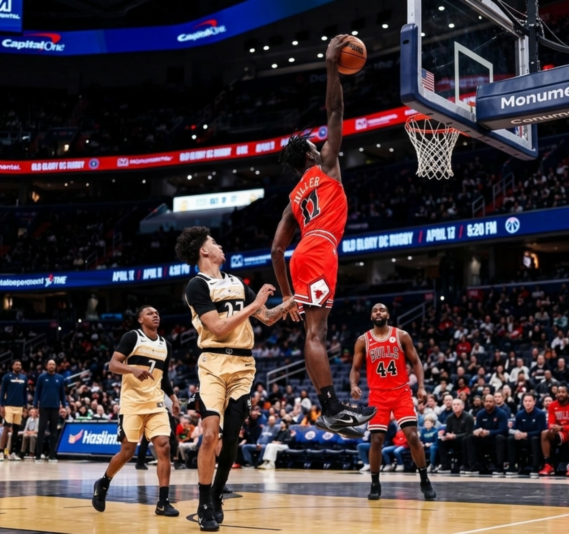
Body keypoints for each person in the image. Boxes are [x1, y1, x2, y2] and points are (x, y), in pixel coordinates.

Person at [270, 34, 377, 437]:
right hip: (319, 250)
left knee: (319, 331)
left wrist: (286, 294)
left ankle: (330, 407)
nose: (321, 144)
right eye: (316, 145)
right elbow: (336, 108)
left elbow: (277, 248)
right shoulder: (326, 165)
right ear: (312, 155)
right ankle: (331, 409)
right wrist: (332, 65)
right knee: (316, 332)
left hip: (304, 252)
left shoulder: (292, 198)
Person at [175, 225, 295, 531]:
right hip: (213, 362)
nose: (220, 246)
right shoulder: (196, 285)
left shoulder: (238, 284)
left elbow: (266, 318)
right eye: (214, 242)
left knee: (231, 439)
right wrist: (256, 305)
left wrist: (291, 303)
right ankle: (204, 503)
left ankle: (216, 494)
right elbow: (217, 328)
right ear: (204, 251)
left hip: (243, 365)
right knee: (210, 434)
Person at [92, 305, 182, 517]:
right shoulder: (132, 337)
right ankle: (103, 482)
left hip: (155, 403)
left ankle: (163, 502)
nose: (155, 315)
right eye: (150, 313)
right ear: (140, 319)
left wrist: (174, 398)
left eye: (157, 313)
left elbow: (164, 377)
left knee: (164, 447)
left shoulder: (165, 345)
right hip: (131, 403)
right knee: (127, 452)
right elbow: (113, 365)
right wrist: (131, 368)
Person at [350, 303, 435, 500]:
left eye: (382, 310)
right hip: (378, 395)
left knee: (412, 436)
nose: (378, 312)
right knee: (376, 440)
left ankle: (424, 479)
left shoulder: (401, 335)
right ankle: (375, 483)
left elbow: (416, 362)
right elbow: (355, 368)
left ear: (387, 314)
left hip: (401, 393)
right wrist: (354, 384)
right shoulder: (363, 340)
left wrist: (421, 387)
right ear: (371, 316)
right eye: (375, 310)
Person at [539, 385, 569, 476]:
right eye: (559, 392)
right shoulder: (552, 405)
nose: (561, 394)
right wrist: (553, 428)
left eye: (563, 392)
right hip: (559, 432)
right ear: (556, 394)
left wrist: (562, 428)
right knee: (544, 433)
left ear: (568, 394)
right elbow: (550, 423)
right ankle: (548, 465)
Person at [34, 359, 68, 462]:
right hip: (44, 408)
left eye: (53, 364)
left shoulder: (60, 378)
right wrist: (35, 406)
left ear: (55, 366)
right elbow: (37, 393)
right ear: (46, 366)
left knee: (53, 433)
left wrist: (64, 406)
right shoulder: (41, 377)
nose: (51, 366)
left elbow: (62, 393)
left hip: (55, 408)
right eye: (50, 364)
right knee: (41, 431)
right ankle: (38, 455)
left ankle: (52, 455)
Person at [506, 392, 546, 476]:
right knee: (511, 439)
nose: (527, 403)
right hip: (522, 438)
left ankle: (535, 466)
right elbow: (514, 428)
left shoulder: (540, 414)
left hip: (535, 439)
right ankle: (512, 466)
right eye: (525, 401)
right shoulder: (519, 414)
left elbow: (541, 430)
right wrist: (515, 433)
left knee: (535, 439)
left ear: (534, 402)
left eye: (529, 401)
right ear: (523, 402)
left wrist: (526, 434)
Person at [467, 394, 508, 475]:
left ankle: (499, 466)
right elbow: (477, 427)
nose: (488, 403)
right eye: (486, 401)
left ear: (494, 403)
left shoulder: (502, 413)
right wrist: (477, 431)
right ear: (483, 402)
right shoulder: (480, 413)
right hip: (484, 438)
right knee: (470, 438)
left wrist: (489, 432)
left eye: (490, 401)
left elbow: (503, 430)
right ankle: (473, 465)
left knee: (499, 437)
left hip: (496, 439)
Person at [0, 359, 27, 462]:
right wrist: (1, 406)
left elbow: (24, 394)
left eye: (20, 364)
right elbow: (2, 393)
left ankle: (12, 452)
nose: (18, 366)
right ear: (12, 366)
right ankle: (1, 452)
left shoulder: (24, 377)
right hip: (8, 406)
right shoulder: (6, 377)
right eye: (16, 364)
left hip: (19, 407)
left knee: (16, 430)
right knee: (6, 428)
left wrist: (25, 407)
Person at [437, 399, 474, 473]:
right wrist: (445, 435)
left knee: (465, 439)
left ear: (462, 406)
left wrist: (455, 436)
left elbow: (469, 433)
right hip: (453, 439)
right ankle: (445, 466)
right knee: (441, 441)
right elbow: (448, 431)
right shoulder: (449, 417)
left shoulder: (468, 417)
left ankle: (465, 465)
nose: (455, 406)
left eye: (458, 404)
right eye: (454, 405)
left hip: (464, 439)